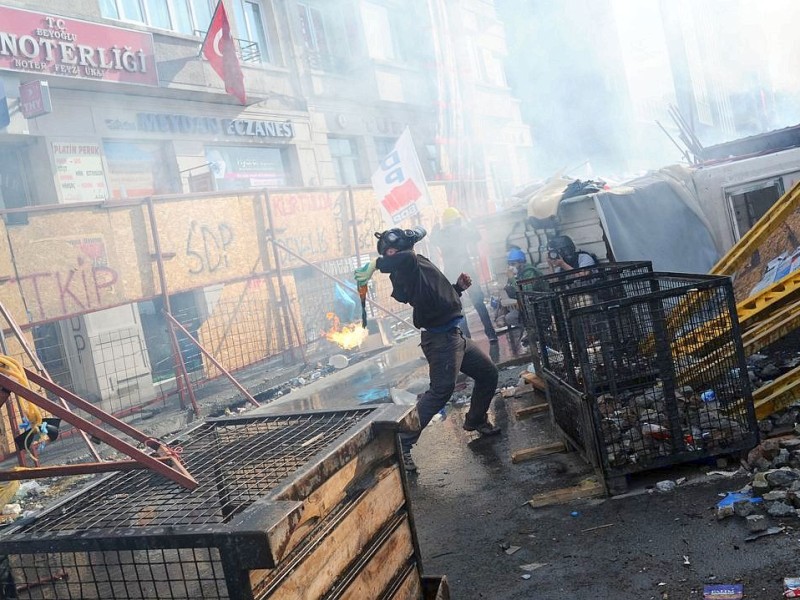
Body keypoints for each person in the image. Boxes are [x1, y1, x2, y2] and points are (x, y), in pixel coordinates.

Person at [354, 226, 501, 473]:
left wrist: (457, 288)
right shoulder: (406, 267)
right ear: (392, 252)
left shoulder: (415, 264)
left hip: (454, 335)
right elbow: (406, 259)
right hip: (442, 341)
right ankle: (403, 442)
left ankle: (475, 419)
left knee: (488, 373)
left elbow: (435, 296)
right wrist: (376, 264)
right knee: (440, 391)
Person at [430, 207, 497, 343]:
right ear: (457, 220)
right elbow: (476, 236)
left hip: (451, 272)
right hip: (466, 269)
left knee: (459, 306)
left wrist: (436, 225)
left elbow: (432, 239)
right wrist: (468, 221)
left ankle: (466, 338)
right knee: (478, 301)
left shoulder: (441, 234)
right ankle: (491, 334)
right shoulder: (461, 230)